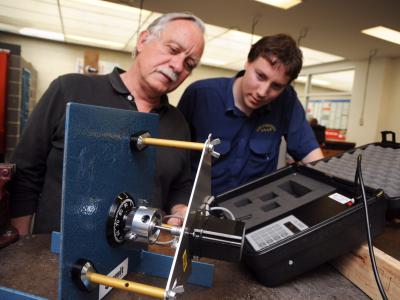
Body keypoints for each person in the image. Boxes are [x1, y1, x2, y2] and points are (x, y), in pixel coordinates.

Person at [10, 12, 205, 235]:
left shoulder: (178, 123)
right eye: (172, 50)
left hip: (139, 258)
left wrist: (180, 208)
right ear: (143, 40)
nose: (178, 66)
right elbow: (25, 173)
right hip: (55, 256)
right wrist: (23, 245)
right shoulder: (70, 90)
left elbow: (181, 185)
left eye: (189, 64)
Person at [178, 33, 323, 196]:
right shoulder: (201, 95)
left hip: (253, 210)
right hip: (199, 207)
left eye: (276, 86)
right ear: (248, 62)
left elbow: (312, 155)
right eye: (260, 76)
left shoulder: (286, 100)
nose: (263, 92)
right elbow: (174, 160)